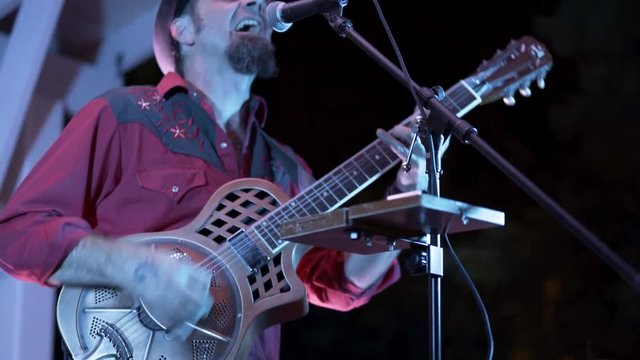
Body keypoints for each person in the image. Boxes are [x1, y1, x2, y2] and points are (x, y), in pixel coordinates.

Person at [0, 0, 428, 359]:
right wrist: (139, 268)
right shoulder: (124, 115)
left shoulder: (287, 168)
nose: (258, 2)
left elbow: (336, 283)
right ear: (182, 29)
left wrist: (402, 201)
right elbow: (18, 235)